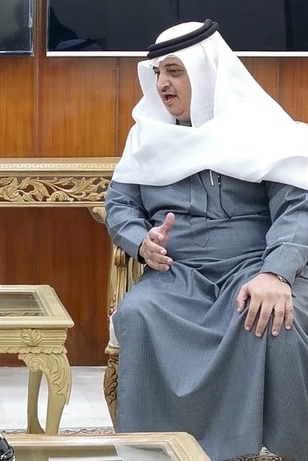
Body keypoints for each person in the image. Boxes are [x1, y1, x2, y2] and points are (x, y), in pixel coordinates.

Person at [105, 20, 308, 460]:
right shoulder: (148, 136)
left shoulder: (261, 127)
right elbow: (119, 205)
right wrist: (141, 240)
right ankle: (160, 451)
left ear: (206, 73)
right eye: (158, 72)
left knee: (275, 320)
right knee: (138, 314)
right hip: (178, 276)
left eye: (174, 71)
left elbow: (297, 208)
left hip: (255, 266)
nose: (162, 84)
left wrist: (276, 273)